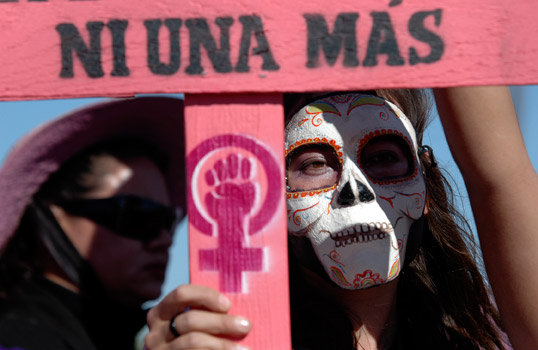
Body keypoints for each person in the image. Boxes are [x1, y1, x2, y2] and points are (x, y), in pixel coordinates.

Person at [145, 87, 537, 350]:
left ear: (426, 187)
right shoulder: (237, 340)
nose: (356, 190)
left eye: (383, 158)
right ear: (270, 199)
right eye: (314, 164)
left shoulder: (481, 336)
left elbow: (499, 178)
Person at [0, 97, 186, 350]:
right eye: (138, 215)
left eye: (168, 220)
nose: (164, 240)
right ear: (54, 218)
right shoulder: (15, 337)